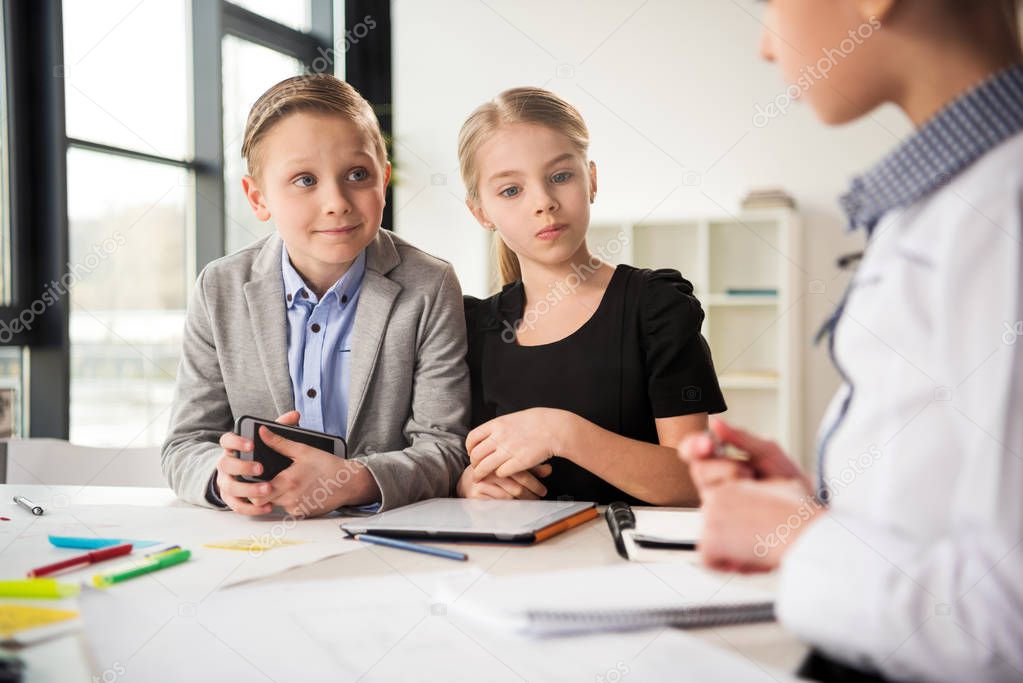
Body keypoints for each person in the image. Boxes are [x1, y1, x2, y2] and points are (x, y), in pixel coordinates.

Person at [679, 1, 1023, 680]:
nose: (766, 47)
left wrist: (799, 539)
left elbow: (1003, 625)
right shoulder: (947, 202)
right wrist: (819, 505)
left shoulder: (1001, 207)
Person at [162, 74, 470, 517]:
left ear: (383, 180)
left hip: (383, 539)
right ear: (258, 197)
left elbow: (445, 448)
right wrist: (219, 476)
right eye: (305, 180)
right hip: (257, 536)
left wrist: (353, 481)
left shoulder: (430, 285)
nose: (337, 201)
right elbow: (184, 444)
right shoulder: (220, 288)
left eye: (357, 175)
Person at [457, 87, 726, 506]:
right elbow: (455, 462)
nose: (544, 203)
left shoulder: (655, 307)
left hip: (631, 564)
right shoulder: (471, 329)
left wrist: (562, 432)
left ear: (592, 180)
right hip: (513, 565)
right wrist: (467, 485)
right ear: (481, 213)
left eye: (560, 177)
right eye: (511, 190)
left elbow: (695, 483)